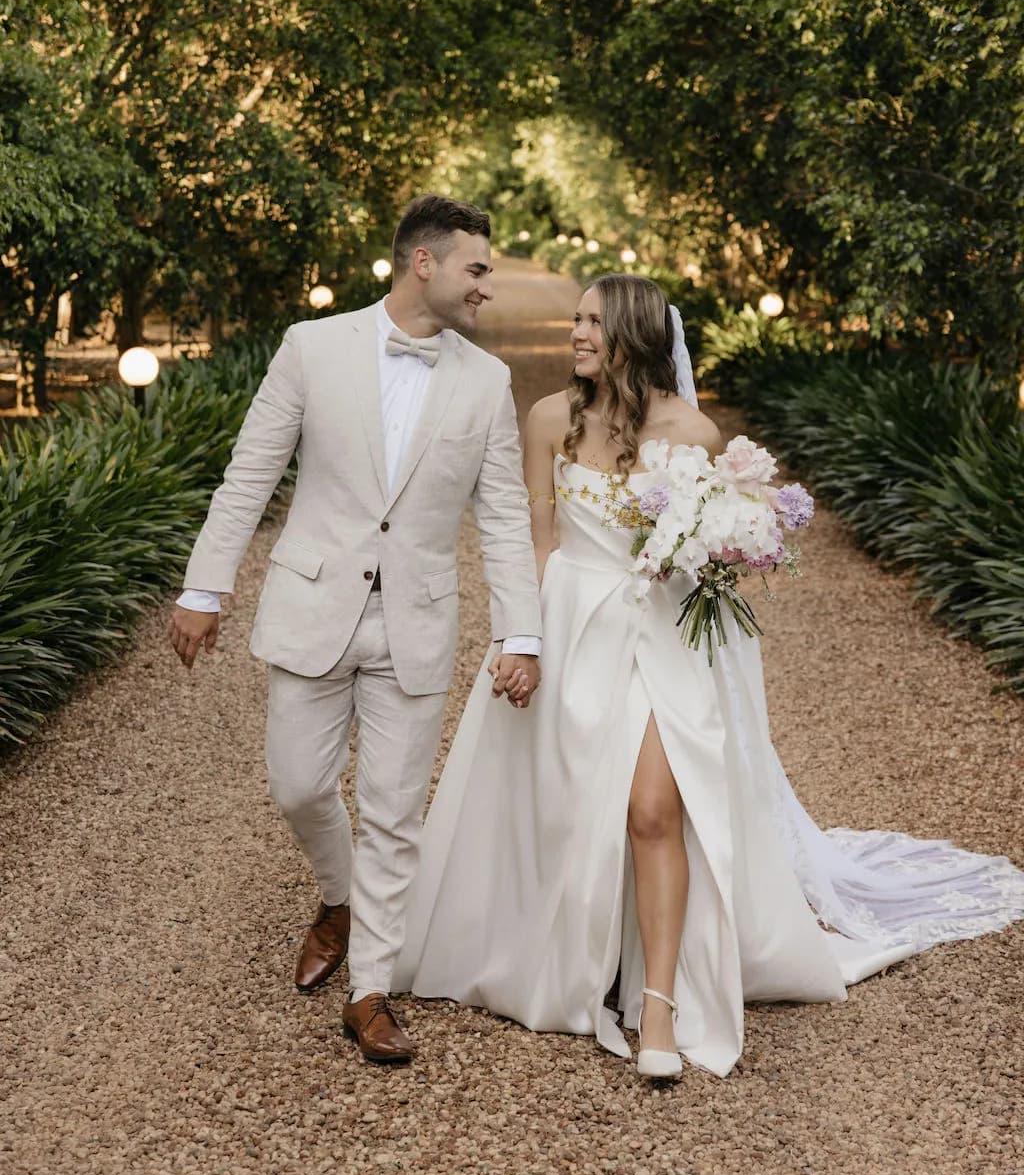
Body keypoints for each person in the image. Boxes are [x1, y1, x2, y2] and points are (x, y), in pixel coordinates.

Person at [394, 273, 1024, 1080]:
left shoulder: (691, 432)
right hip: (572, 623)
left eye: (593, 321)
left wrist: (718, 545)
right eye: (576, 319)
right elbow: (536, 540)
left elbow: (706, 549)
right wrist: (526, 640)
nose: (576, 333)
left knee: (655, 808)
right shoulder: (549, 418)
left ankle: (659, 1003)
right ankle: (577, 958)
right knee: (568, 804)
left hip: (662, 634)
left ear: (633, 333)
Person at [168, 194, 543, 1065]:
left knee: (393, 812)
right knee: (299, 787)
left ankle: (369, 988)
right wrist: (204, 587)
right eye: (477, 268)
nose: (487, 286)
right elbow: (249, 473)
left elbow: (504, 518)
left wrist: (519, 633)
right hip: (312, 609)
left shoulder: (485, 382)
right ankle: (338, 897)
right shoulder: (313, 348)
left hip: (417, 621)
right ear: (426, 263)